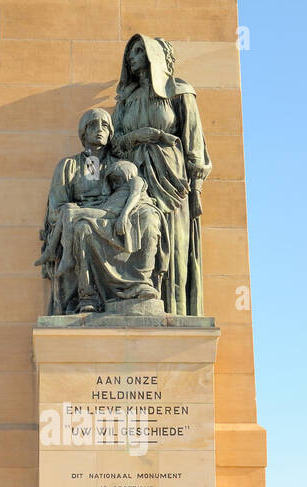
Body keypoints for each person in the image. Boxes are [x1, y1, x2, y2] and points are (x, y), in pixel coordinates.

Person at [111, 35, 211, 315]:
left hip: (172, 178)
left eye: (139, 50)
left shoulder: (179, 92)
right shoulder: (126, 102)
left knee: (175, 242)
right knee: (140, 232)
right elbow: (115, 143)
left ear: (154, 54)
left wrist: (197, 188)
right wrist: (136, 136)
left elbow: (195, 145)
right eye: (130, 52)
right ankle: (139, 295)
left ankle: (173, 308)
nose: (132, 57)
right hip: (135, 178)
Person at [36, 160, 148, 276]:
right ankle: (52, 250)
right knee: (67, 208)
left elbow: (135, 196)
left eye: (117, 178)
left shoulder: (136, 180)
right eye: (113, 180)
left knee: (70, 213)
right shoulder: (116, 191)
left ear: (127, 172)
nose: (115, 183)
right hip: (104, 210)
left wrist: (124, 215)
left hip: (110, 214)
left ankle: (66, 257)